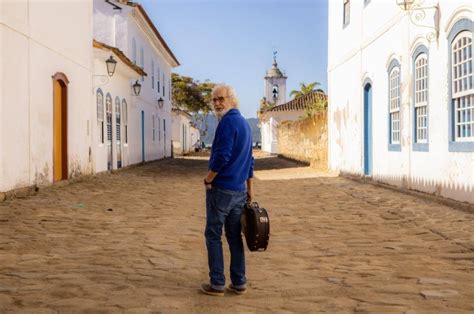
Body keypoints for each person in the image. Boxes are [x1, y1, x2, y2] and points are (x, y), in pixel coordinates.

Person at [201, 84, 254, 297]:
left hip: (222, 190)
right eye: (214, 100)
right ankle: (239, 282)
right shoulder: (245, 124)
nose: (217, 103)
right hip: (240, 191)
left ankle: (217, 283)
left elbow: (222, 156)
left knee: (213, 234)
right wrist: (250, 188)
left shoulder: (227, 123)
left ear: (231, 99)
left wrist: (208, 179)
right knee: (234, 236)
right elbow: (250, 160)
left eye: (220, 99)